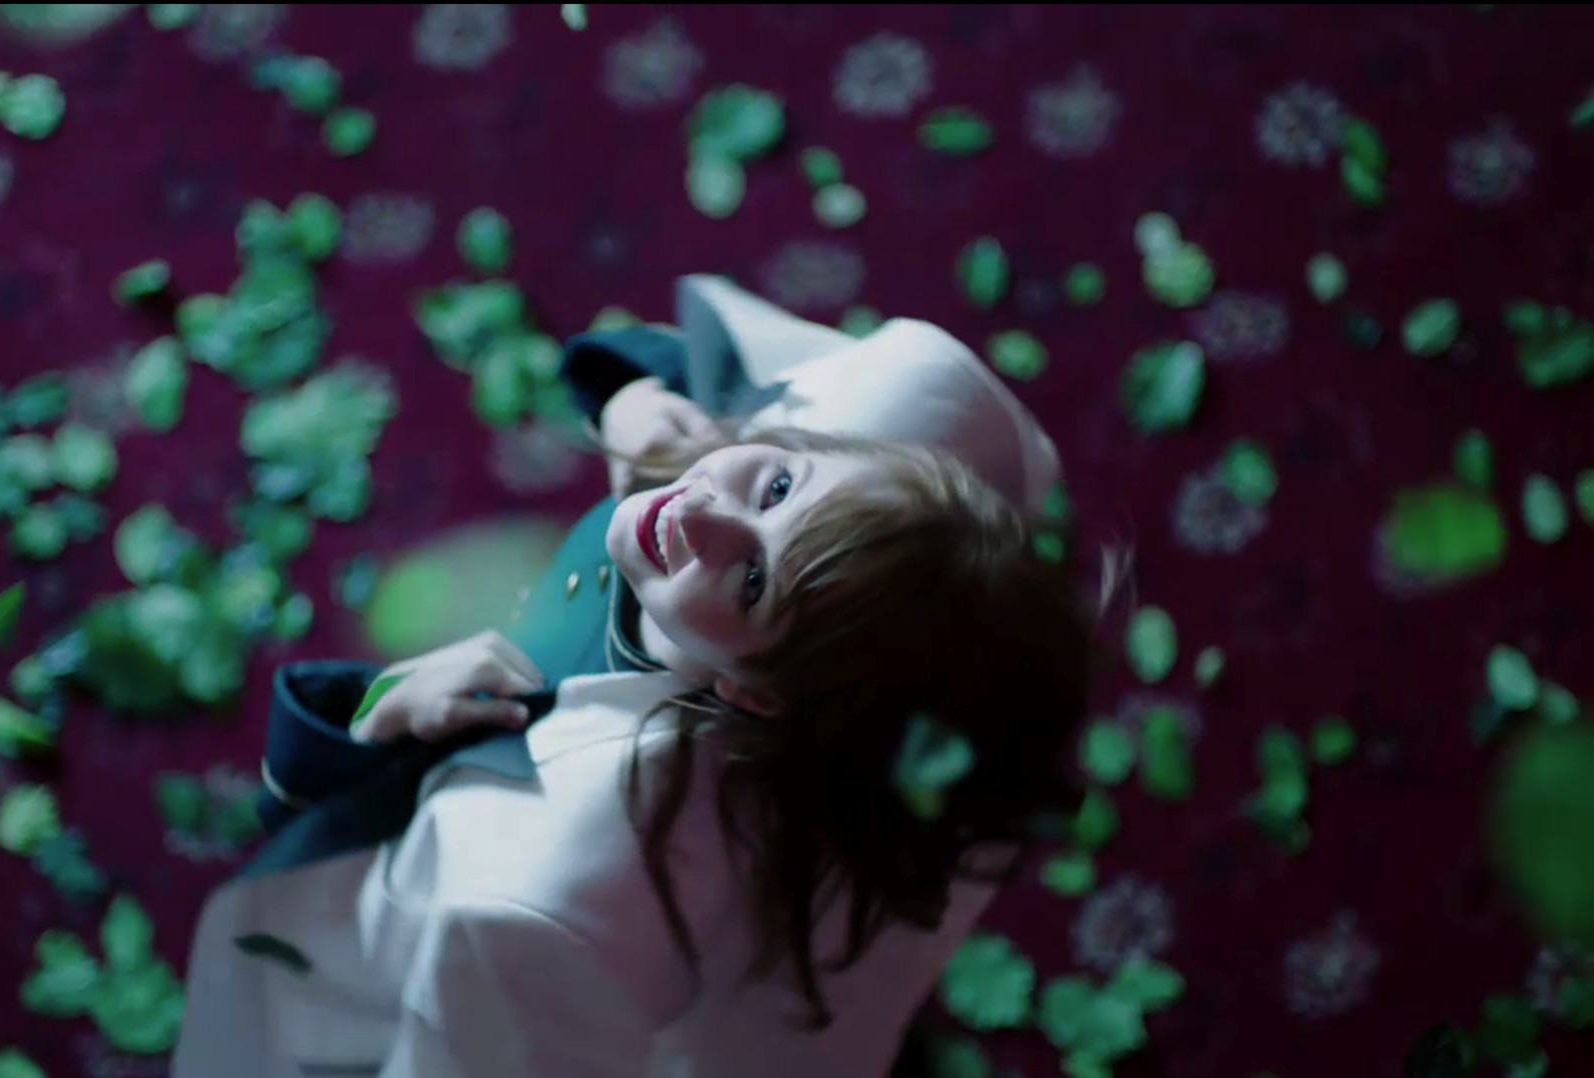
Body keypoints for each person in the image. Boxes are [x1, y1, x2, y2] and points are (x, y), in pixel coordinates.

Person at [174, 283, 1101, 1078]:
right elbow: (751, 388)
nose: (701, 515)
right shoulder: (887, 449)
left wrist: (383, 724)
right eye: (776, 488)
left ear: (760, 697)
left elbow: (449, 1018)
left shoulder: (536, 881)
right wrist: (633, 400)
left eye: (753, 582)